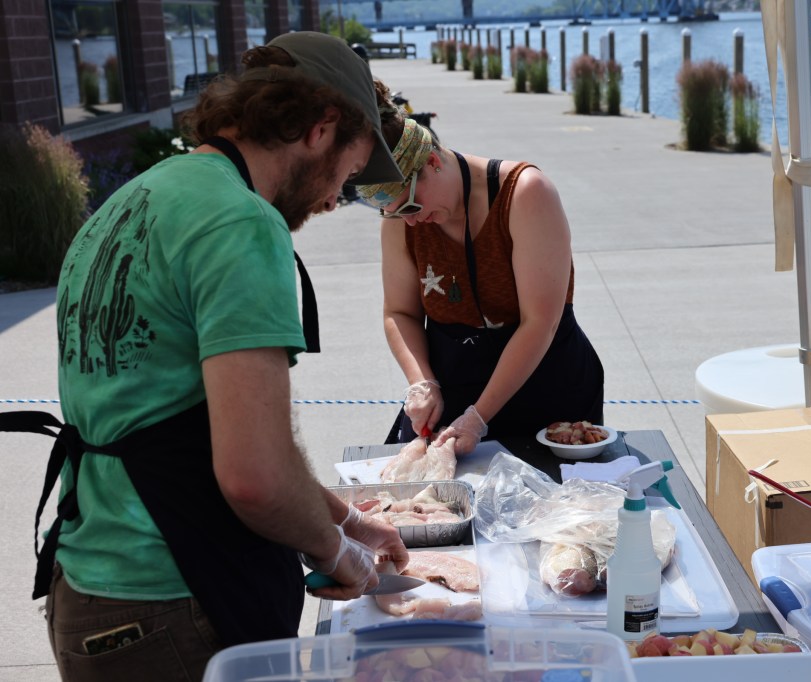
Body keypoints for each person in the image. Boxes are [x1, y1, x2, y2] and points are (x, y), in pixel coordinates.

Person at [0, 32, 408, 681]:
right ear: (321, 129)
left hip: (90, 586)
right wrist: (339, 552)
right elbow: (256, 476)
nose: (335, 199)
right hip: (173, 599)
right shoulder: (240, 222)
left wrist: (350, 518)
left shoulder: (137, 199)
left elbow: (191, 423)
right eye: (348, 176)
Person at [359, 81, 604, 455]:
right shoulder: (401, 221)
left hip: (546, 385)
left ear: (433, 162)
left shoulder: (524, 194)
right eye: (392, 213)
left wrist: (478, 416)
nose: (408, 223)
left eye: (409, 206)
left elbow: (540, 321)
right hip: (455, 386)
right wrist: (422, 382)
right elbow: (399, 311)